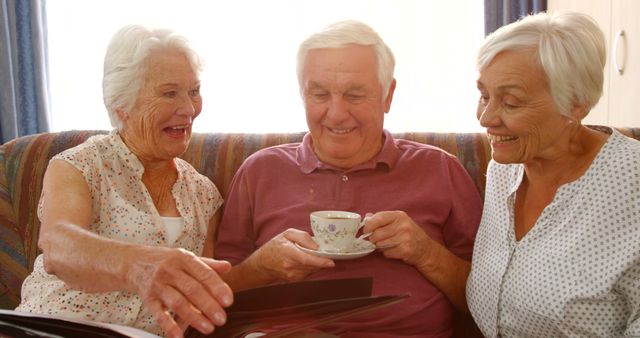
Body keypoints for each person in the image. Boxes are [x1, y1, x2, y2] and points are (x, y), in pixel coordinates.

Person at [215, 20, 483, 337]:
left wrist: (427, 253)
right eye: (319, 94)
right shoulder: (259, 170)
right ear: (302, 94)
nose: (337, 113)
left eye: (355, 95)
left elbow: (487, 299)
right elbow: (216, 293)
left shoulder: (440, 169)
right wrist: (259, 268)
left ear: (388, 95)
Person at [15, 25, 233, 338]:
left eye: (194, 91)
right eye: (169, 93)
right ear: (122, 104)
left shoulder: (203, 194)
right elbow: (58, 246)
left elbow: (206, 293)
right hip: (55, 326)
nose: (188, 109)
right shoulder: (79, 165)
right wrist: (138, 266)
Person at [466, 11, 640, 337]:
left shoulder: (632, 181)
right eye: (484, 95)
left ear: (575, 104)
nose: (485, 117)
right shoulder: (505, 168)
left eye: (511, 102)